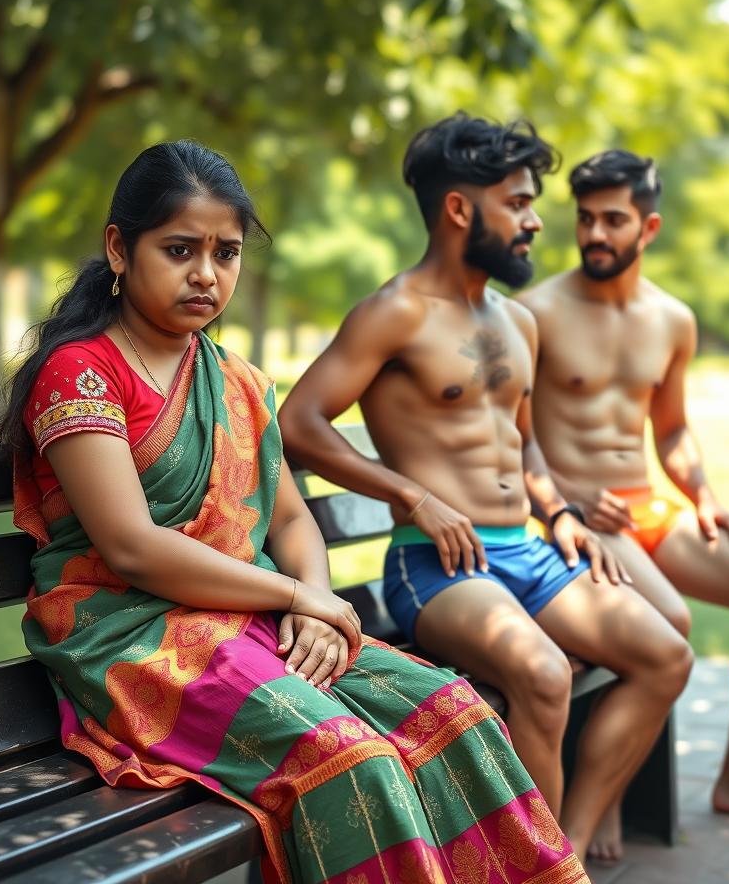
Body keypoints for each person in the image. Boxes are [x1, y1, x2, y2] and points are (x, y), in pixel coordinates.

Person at [0, 140, 587, 884]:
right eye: (179, 249)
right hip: (129, 634)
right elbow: (132, 547)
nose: (206, 274)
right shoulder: (81, 371)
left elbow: (293, 522)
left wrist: (317, 605)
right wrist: (295, 595)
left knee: (455, 715)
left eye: (227, 253)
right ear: (119, 248)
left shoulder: (237, 380)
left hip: (252, 618)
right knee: (353, 763)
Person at [279, 114, 693, 863]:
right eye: (519, 202)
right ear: (461, 209)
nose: (536, 221)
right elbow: (298, 422)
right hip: (437, 569)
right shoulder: (396, 311)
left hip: (527, 552)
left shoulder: (516, 320)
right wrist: (413, 496)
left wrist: (558, 508)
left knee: (666, 653)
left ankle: (558, 852)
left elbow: (523, 438)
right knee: (540, 673)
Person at [518, 148, 729, 861]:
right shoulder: (535, 313)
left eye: (614, 220)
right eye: (586, 219)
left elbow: (672, 429)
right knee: (669, 622)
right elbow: (513, 436)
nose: (595, 234)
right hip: (582, 519)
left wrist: (706, 498)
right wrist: (562, 498)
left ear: (649, 227)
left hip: (650, 507)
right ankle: (609, 798)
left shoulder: (673, 320)